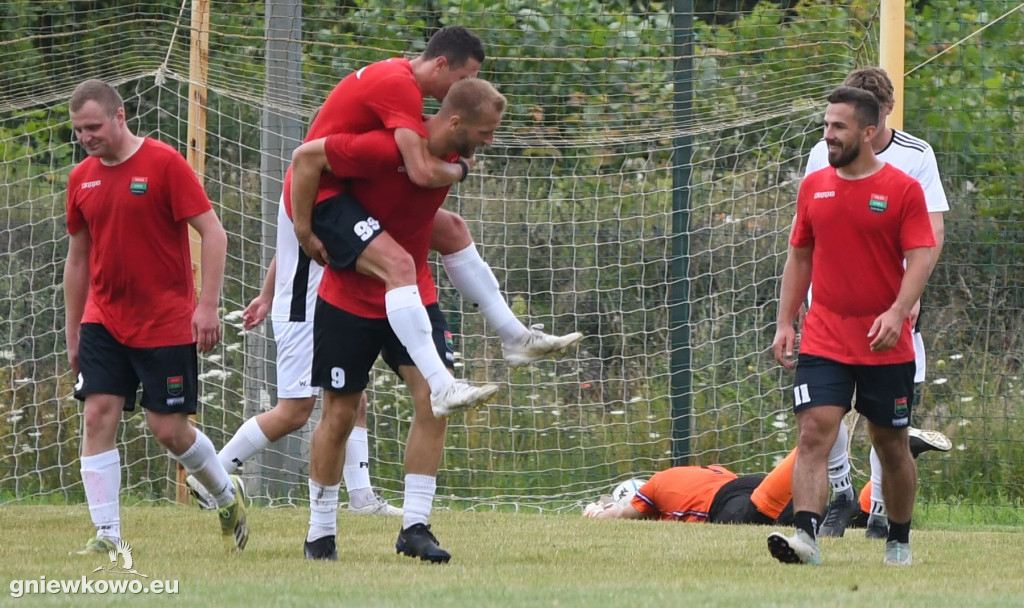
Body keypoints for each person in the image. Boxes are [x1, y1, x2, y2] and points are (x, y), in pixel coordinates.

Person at [289, 25, 583, 419]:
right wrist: (303, 230)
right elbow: (420, 172)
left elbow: (421, 164)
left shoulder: (409, 93)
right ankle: (442, 386)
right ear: (441, 63)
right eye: (465, 78)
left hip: (349, 186)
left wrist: (456, 162)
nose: (468, 86)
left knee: (453, 231)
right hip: (318, 194)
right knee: (398, 265)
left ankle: (516, 337)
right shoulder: (400, 89)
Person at [294, 78, 507, 562]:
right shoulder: (382, 148)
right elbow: (307, 158)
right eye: (486, 132)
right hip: (348, 299)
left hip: (415, 298)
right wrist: (304, 230)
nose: (490, 142)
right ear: (455, 122)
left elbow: (438, 219)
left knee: (434, 402)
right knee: (340, 415)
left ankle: (415, 527)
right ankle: (320, 533)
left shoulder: (452, 165)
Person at [63, 79, 248, 554]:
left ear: (120, 116)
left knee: (168, 429)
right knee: (97, 415)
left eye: (94, 126)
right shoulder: (80, 178)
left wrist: (205, 306)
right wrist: (74, 328)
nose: (86, 137)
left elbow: (214, 234)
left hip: (165, 322)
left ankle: (226, 496)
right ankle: (107, 534)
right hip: (104, 319)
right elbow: (78, 258)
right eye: (79, 130)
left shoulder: (164, 163)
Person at [769, 85, 935, 566]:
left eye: (838, 127)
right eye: (826, 125)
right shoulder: (814, 185)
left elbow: (921, 255)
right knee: (814, 432)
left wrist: (898, 311)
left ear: (868, 131)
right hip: (824, 334)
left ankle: (898, 539)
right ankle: (806, 538)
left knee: (891, 445)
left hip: (885, 341)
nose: (828, 135)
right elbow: (799, 255)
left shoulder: (902, 189)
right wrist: (785, 322)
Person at [805, 67, 951, 539]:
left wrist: (908, 300)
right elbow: (806, 232)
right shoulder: (821, 155)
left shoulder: (915, 157)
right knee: (819, 415)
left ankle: (885, 512)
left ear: (881, 114)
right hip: (828, 313)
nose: (834, 133)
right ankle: (840, 491)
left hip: (892, 310)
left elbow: (931, 236)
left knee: (886, 427)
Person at [583, 427, 950, 525]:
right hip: (749, 484)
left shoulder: (654, 486)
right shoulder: (698, 472)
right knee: (843, 521)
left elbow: (618, 516)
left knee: (745, 519)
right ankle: (900, 456)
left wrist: (595, 511)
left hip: (733, 499)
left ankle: (825, 431)